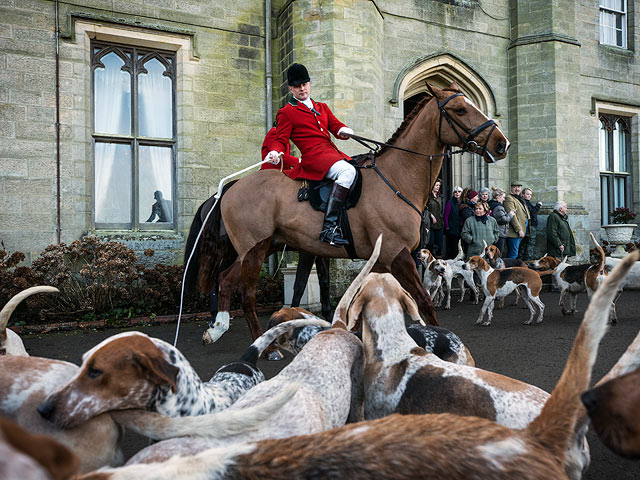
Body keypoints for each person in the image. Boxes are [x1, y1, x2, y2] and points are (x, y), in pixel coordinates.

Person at [265, 63, 354, 247]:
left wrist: (344, 130)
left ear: (309, 84)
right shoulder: (287, 112)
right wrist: (275, 151)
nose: (302, 88)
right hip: (314, 159)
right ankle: (328, 229)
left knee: (360, 168)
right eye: (297, 86)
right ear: (291, 89)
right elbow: (281, 139)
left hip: (332, 154)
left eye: (304, 84)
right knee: (347, 173)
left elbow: (335, 126)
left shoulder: (321, 107)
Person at [502, 180, 530, 259]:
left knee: (515, 253)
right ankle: (509, 270)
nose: (517, 189)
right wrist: (519, 230)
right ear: (511, 188)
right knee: (513, 253)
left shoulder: (519, 198)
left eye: (519, 187)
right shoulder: (509, 198)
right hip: (514, 232)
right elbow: (512, 216)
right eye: (514, 187)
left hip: (521, 230)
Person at [488, 187, 515, 255]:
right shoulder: (498, 207)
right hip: (499, 233)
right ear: (498, 197)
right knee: (497, 254)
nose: (504, 199)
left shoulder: (489, 204)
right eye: (503, 197)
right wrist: (510, 214)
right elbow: (503, 220)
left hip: (492, 232)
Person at [518, 187, 542, 261]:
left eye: (530, 195)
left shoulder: (527, 202)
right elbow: (531, 213)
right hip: (529, 226)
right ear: (523, 194)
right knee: (529, 245)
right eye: (527, 194)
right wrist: (538, 206)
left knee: (525, 245)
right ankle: (527, 262)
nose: (529, 196)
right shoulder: (524, 202)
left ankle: (522, 261)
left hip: (529, 226)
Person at [426, 178, 444, 258]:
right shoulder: (428, 197)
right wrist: (431, 215)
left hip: (439, 223)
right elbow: (424, 208)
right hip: (430, 224)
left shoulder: (440, 197)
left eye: (439, 185)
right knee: (431, 244)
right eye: (436, 185)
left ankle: (439, 259)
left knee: (439, 244)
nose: (438, 187)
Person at [443, 185, 463, 259]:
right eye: (455, 192)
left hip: (460, 228)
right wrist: (447, 227)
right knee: (453, 248)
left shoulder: (462, 202)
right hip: (452, 229)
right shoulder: (450, 203)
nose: (457, 193)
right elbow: (445, 216)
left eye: (459, 192)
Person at [459, 189, 479, 256]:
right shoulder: (466, 209)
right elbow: (470, 221)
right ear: (471, 198)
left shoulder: (472, 207)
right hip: (468, 233)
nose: (477, 198)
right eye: (476, 197)